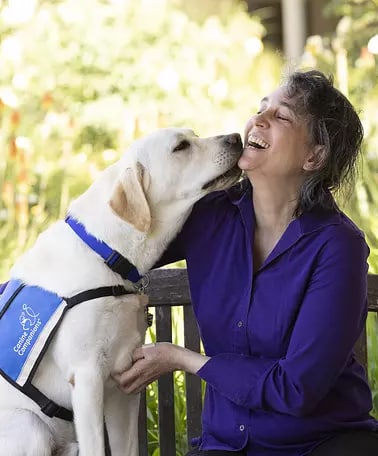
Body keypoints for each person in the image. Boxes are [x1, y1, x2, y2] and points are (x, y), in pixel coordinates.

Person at [118, 70, 378, 455]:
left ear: (314, 156)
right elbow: (116, 245)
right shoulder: (208, 216)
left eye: (281, 116)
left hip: (322, 443)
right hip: (225, 445)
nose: (258, 120)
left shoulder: (337, 247)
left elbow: (297, 388)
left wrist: (182, 358)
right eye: (261, 108)